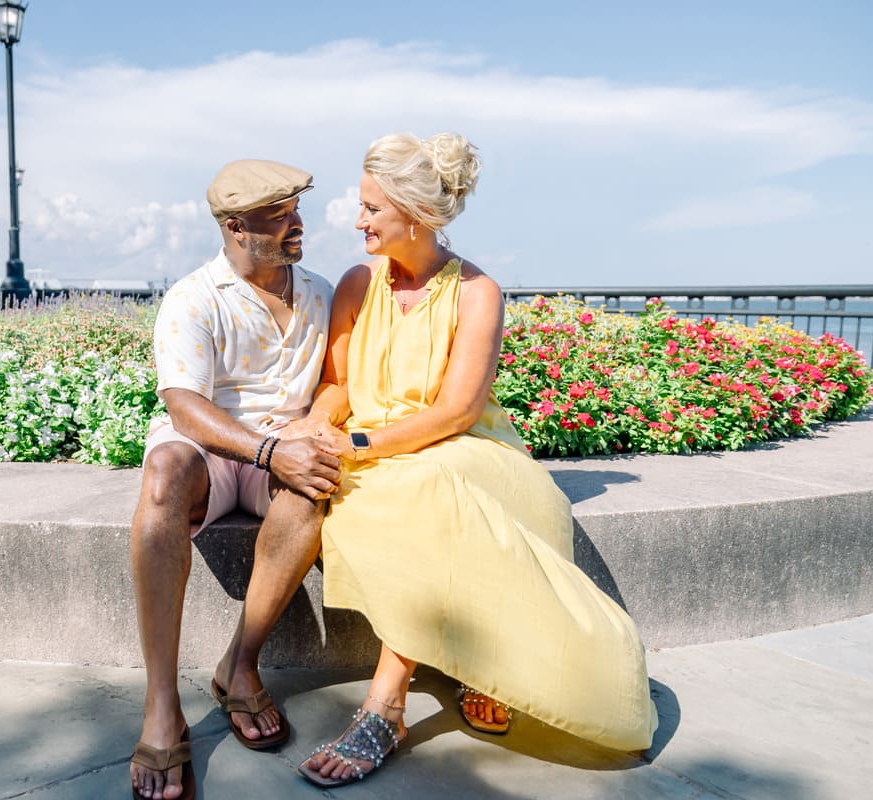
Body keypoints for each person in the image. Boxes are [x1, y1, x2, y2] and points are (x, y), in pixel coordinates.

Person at [294, 133, 659, 787]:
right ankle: (475, 665)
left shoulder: (477, 292)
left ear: (416, 212)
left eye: (373, 208)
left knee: (431, 486)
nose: (358, 221)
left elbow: (456, 413)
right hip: (378, 451)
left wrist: (356, 445)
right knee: (408, 492)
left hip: (466, 451)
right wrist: (316, 430)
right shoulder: (357, 283)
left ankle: (385, 704)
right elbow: (340, 385)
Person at [129, 159, 340, 800]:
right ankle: (161, 703)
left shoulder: (324, 292)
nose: (298, 222)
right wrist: (268, 450)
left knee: (312, 490)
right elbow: (184, 408)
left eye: (296, 209)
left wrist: (307, 435)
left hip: (288, 447)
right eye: (280, 215)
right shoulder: (193, 298)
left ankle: (238, 668)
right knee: (163, 472)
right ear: (235, 227)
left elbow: (338, 377)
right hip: (213, 447)